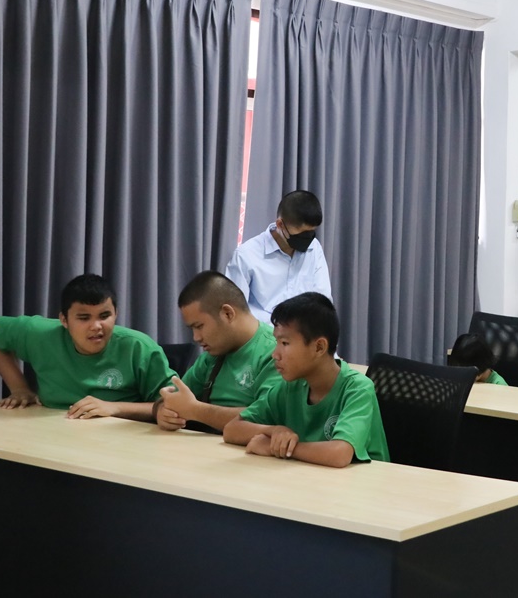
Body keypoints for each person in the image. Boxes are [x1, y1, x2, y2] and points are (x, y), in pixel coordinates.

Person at [223, 292, 389, 467]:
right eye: (276, 342)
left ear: (319, 347)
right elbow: (232, 429)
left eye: (285, 343)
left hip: (367, 481)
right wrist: (274, 431)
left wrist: (279, 448)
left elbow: (340, 454)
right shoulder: (290, 386)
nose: (275, 354)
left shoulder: (357, 389)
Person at [0, 273, 174, 420]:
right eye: (84, 318)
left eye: (104, 316)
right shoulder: (39, 333)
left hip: (120, 440)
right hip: (50, 432)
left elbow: (173, 406)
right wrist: (19, 388)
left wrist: (115, 407)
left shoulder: (139, 347)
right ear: (64, 320)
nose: (96, 326)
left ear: (116, 313)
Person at [154, 271, 281, 433]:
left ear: (228, 313)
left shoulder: (276, 353)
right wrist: (162, 411)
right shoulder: (213, 355)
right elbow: (172, 399)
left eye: (199, 326)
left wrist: (195, 410)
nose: (196, 337)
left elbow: (268, 417)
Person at [225, 190, 333, 324]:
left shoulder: (314, 248)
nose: (307, 239)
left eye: (311, 232)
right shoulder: (246, 255)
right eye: (301, 234)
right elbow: (235, 311)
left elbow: (323, 299)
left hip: (304, 332)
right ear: (280, 225)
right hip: (263, 333)